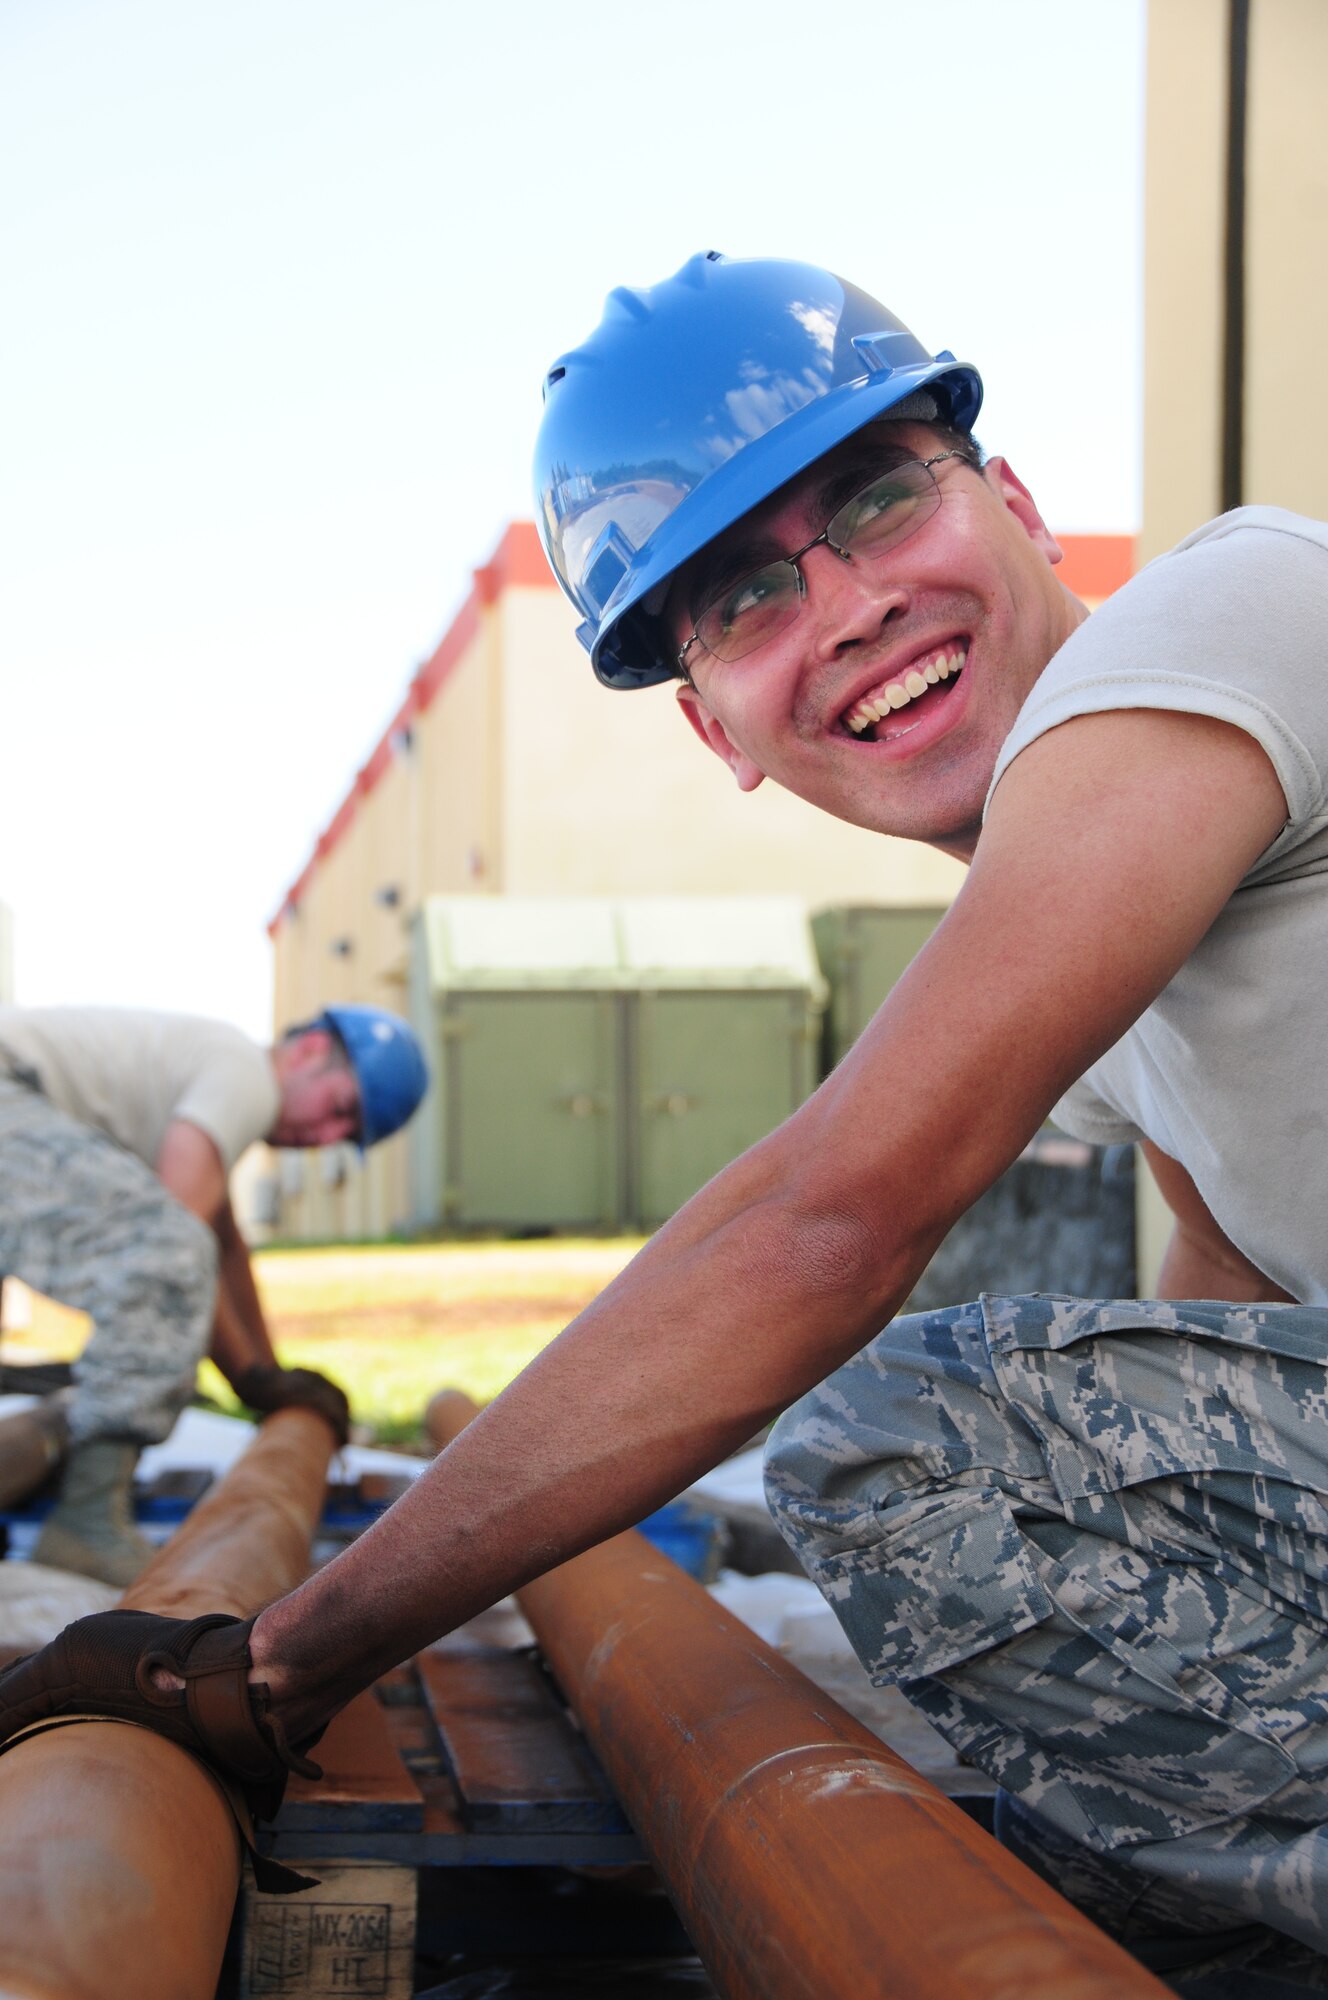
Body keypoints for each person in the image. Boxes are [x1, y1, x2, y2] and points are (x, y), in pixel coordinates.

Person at [5, 253, 1328, 1980]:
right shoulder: (1089, 928)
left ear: (1011, 502)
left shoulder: (1226, 610)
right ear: (717, 730)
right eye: (742, 600)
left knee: (904, 1437)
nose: (844, 605)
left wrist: (286, 1656)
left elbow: (826, 1220)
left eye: (874, 500)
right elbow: (1226, 1280)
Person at [0, 1001, 428, 1583]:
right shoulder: (244, 1074)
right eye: (340, 1110)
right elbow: (176, 1240)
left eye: (345, 1136)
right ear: (308, 1051)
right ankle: (87, 1521)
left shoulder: (212, 1085)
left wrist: (270, 1375)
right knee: (165, 1250)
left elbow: (226, 1248)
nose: (326, 1137)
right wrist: (250, 1380)